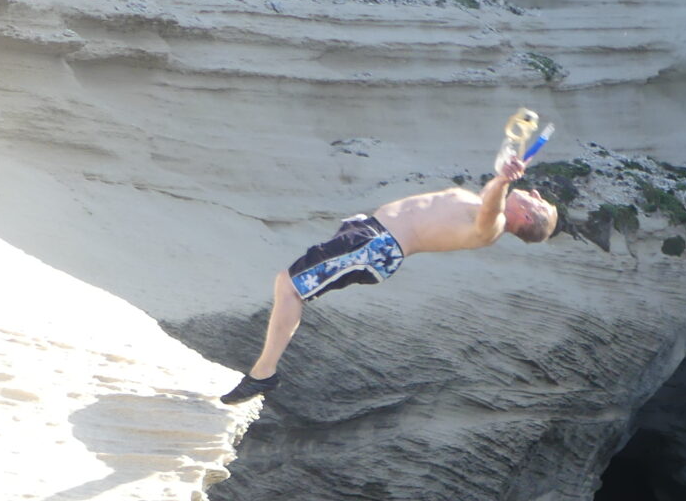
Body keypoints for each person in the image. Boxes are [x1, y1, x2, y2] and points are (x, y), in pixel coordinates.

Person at [223, 148, 559, 404]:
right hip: (370, 235)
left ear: (528, 218)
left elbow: (491, 207)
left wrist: (504, 180)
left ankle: (263, 374)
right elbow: (491, 193)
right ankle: (263, 373)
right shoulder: (486, 203)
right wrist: (505, 166)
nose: (537, 194)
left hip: (376, 246)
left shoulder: (494, 227)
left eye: (542, 204)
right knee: (291, 282)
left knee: (290, 285)